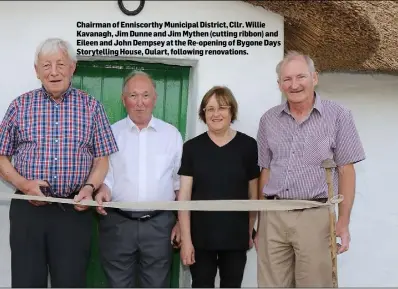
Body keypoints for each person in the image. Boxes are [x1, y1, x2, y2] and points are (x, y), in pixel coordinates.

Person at [0, 38, 118, 288]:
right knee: (27, 282)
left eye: (60, 64)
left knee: (71, 282)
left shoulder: (92, 107)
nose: (54, 71)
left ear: (73, 67)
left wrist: (88, 188)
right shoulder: (19, 106)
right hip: (27, 212)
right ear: (36, 71)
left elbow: (102, 158)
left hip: (74, 212)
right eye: (46, 65)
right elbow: (1, 156)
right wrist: (23, 183)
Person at [255, 50, 366, 287]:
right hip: (272, 215)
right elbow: (265, 171)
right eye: (287, 79)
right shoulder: (268, 120)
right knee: (270, 284)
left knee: (316, 284)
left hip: (316, 214)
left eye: (300, 77)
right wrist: (259, 222)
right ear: (279, 84)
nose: (294, 85)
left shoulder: (339, 116)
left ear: (314, 78)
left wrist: (343, 223)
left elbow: (346, 171)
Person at [94, 71, 183, 288]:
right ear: (124, 100)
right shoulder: (111, 133)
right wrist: (103, 190)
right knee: (118, 284)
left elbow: (180, 184)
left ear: (155, 99)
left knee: (157, 284)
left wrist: (181, 222)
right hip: (118, 224)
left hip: (159, 226)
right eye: (133, 96)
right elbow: (107, 176)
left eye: (145, 95)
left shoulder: (171, 135)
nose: (140, 103)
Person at [178, 86, 259, 288]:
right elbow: (184, 197)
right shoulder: (191, 148)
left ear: (231, 111)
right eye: (210, 109)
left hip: (235, 237)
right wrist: (187, 241)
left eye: (222, 108)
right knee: (201, 284)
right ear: (203, 114)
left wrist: (249, 231)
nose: (216, 114)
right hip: (200, 238)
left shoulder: (248, 146)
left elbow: (253, 195)